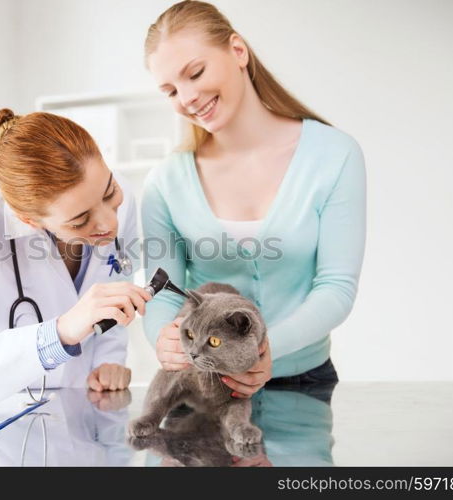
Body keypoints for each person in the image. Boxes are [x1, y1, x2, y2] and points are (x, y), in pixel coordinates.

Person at [141, 0, 366, 398]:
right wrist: (163, 336)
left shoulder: (334, 155)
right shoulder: (164, 182)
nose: (188, 97)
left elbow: (336, 287)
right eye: (171, 90)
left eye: (195, 73)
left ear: (238, 51)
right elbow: (164, 289)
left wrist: (263, 349)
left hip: (303, 383)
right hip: (203, 386)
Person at [0, 109, 151, 407]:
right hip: (11, 426)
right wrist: (61, 332)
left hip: (89, 412)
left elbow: (115, 288)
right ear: (28, 220)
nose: (109, 223)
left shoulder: (121, 203)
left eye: (110, 193)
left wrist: (107, 362)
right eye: (80, 219)